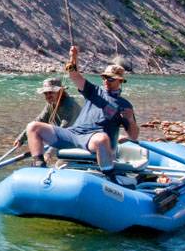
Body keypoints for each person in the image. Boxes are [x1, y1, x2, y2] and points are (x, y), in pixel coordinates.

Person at [24, 46, 139, 182]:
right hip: (73, 134)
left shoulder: (124, 105)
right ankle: (39, 167)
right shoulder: (93, 91)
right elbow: (74, 75)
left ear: (120, 81)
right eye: (104, 77)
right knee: (33, 127)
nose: (106, 81)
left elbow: (133, 136)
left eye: (110, 79)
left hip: (92, 139)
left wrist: (130, 120)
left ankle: (110, 178)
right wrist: (74, 57)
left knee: (102, 138)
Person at [12, 77, 81, 148]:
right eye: (45, 93)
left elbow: (64, 130)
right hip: (65, 137)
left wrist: (49, 152)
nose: (48, 96)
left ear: (60, 92)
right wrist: (21, 138)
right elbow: (39, 121)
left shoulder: (69, 105)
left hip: (78, 140)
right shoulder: (51, 104)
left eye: (51, 92)